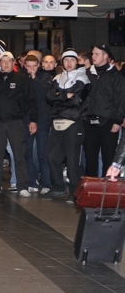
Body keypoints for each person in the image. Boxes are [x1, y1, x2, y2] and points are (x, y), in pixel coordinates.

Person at [0, 51, 37, 197]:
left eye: (9, 61)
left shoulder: (21, 79)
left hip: (15, 121)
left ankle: (22, 186)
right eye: (3, 61)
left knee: (19, 155)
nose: (6, 64)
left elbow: (30, 101)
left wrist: (33, 120)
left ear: (13, 62)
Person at [44, 49, 89, 202]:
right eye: (66, 60)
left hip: (74, 123)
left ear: (77, 62)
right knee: (52, 156)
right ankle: (58, 188)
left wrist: (59, 97)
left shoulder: (83, 78)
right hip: (57, 122)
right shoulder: (57, 78)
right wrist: (66, 96)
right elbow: (49, 97)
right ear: (62, 62)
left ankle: (75, 191)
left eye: (72, 60)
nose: (69, 63)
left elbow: (77, 101)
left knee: (72, 159)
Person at [83, 44, 125, 177]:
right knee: (90, 158)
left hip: (108, 121)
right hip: (89, 121)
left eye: (96, 54)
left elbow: (121, 99)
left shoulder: (115, 76)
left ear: (105, 56)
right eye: (93, 54)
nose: (93, 56)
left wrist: (117, 120)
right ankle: (90, 190)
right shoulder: (88, 73)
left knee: (109, 157)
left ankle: (108, 189)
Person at [23, 54, 53, 195]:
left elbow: (45, 94)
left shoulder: (45, 77)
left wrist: (34, 78)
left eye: (34, 66)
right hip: (27, 120)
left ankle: (46, 183)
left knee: (43, 153)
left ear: (39, 66)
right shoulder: (22, 78)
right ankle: (32, 181)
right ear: (24, 66)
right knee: (28, 153)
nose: (31, 69)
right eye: (28, 66)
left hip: (43, 120)